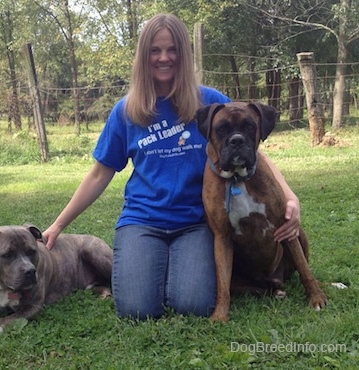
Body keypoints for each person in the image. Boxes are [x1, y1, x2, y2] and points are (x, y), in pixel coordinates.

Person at [43, 13, 301, 320]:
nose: (164, 58)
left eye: (172, 49)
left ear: (184, 54)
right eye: (155, 50)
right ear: (143, 56)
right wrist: (58, 225)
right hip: (142, 221)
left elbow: (251, 150)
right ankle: (151, 263)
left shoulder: (210, 103)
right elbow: (100, 173)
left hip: (195, 223)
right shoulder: (127, 111)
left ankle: (170, 268)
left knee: (192, 305)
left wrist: (290, 197)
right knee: (136, 309)